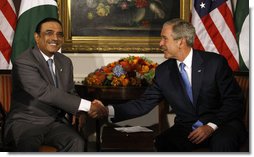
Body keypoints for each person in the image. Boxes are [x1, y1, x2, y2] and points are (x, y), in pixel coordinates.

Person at [94, 18, 247, 151]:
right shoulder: (163, 72)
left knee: (223, 142)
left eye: (164, 38)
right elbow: (143, 104)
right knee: (162, 142)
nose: (160, 43)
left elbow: (234, 101)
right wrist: (107, 111)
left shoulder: (215, 63)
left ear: (181, 41)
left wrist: (210, 126)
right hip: (187, 127)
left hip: (222, 125)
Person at [4, 17, 107, 152]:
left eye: (59, 34)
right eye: (49, 33)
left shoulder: (65, 62)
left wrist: (80, 111)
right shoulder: (24, 61)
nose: (55, 38)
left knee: (77, 142)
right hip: (25, 123)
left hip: (54, 123)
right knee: (27, 146)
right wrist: (88, 106)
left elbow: (70, 92)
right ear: (37, 37)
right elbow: (45, 92)